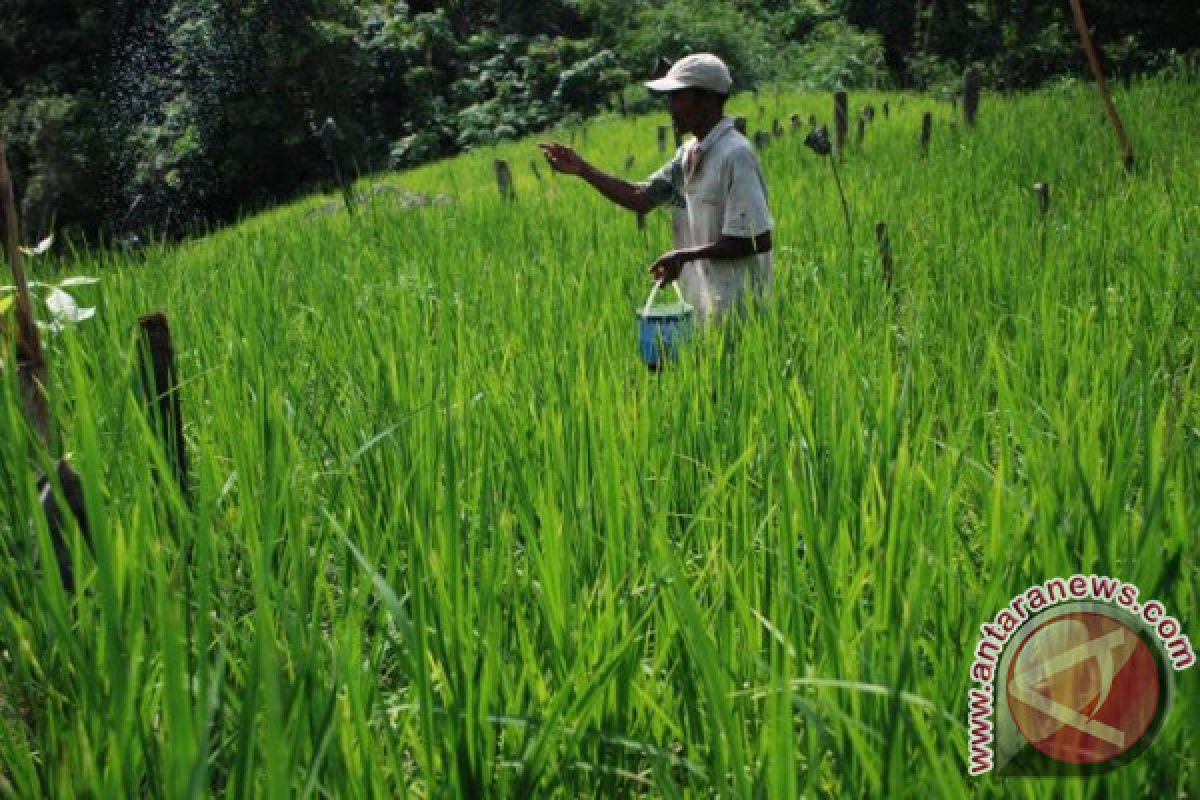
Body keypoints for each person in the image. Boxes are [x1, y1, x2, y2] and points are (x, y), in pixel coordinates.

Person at [539, 53, 774, 323]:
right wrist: (582, 169)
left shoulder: (735, 154)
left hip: (742, 313)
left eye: (677, 98)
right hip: (702, 310)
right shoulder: (688, 154)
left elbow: (758, 239)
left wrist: (684, 256)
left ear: (707, 100)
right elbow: (641, 198)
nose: (670, 108)